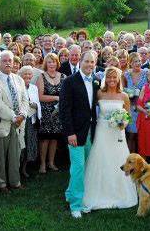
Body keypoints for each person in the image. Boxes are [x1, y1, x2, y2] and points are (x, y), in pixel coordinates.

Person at [82, 67, 138, 211]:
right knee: (101, 157)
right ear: (105, 79)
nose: (112, 80)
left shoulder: (124, 96)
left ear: (119, 79)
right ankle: (99, 191)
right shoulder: (99, 93)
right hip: (102, 130)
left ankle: (119, 192)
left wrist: (122, 122)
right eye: (109, 77)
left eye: (114, 78)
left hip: (117, 133)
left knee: (118, 158)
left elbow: (128, 116)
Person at [59, 51, 100, 218]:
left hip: (91, 130)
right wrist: (70, 133)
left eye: (92, 62)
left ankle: (70, 193)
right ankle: (76, 205)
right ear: (80, 62)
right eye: (87, 61)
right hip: (75, 132)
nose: (90, 64)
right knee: (78, 168)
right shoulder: (69, 81)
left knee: (84, 166)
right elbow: (64, 109)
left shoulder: (96, 82)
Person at [0, 51, 29, 192]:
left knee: (15, 155)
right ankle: (0, 183)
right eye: (4, 60)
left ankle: (15, 182)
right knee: (0, 155)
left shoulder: (19, 79)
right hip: (4, 123)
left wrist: (22, 114)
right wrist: (13, 117)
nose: (8, 63)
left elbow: (25, 99)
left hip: (18, 123)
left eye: (10, 60)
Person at [36, 53, 65, 174]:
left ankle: (51, 162)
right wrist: (56, 98)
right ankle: (42, 164)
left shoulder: (63, 76)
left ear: (57, 63)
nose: (52, 64)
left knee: (55, 138)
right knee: (45, 139)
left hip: (58, 112)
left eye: (53, 61)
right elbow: (40, 96)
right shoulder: (41, 77)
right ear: (45, 64)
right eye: (49, 62)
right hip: (46, 112)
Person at [124, 52, 149, 153]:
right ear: (130, 63)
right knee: (131, 135)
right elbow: (122, 90)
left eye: (139, 61)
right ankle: (131, 156)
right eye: (135, 61)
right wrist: (130, 93)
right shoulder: (126, 75)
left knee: (142, 135)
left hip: (142, 108)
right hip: (130, 108)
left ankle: (142, 158)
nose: (138, 63)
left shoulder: (146, 73)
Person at [19, 66, 40, 178]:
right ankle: (17, 168)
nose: (27, 76)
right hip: (21, 120)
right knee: (21, 145)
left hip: (31, 120)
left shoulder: (33, 88)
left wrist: (35, 105)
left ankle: (24, 168)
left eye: (29, 74)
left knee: (29, 144)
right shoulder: (18, 86)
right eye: (25, 74)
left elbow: (37, 103)